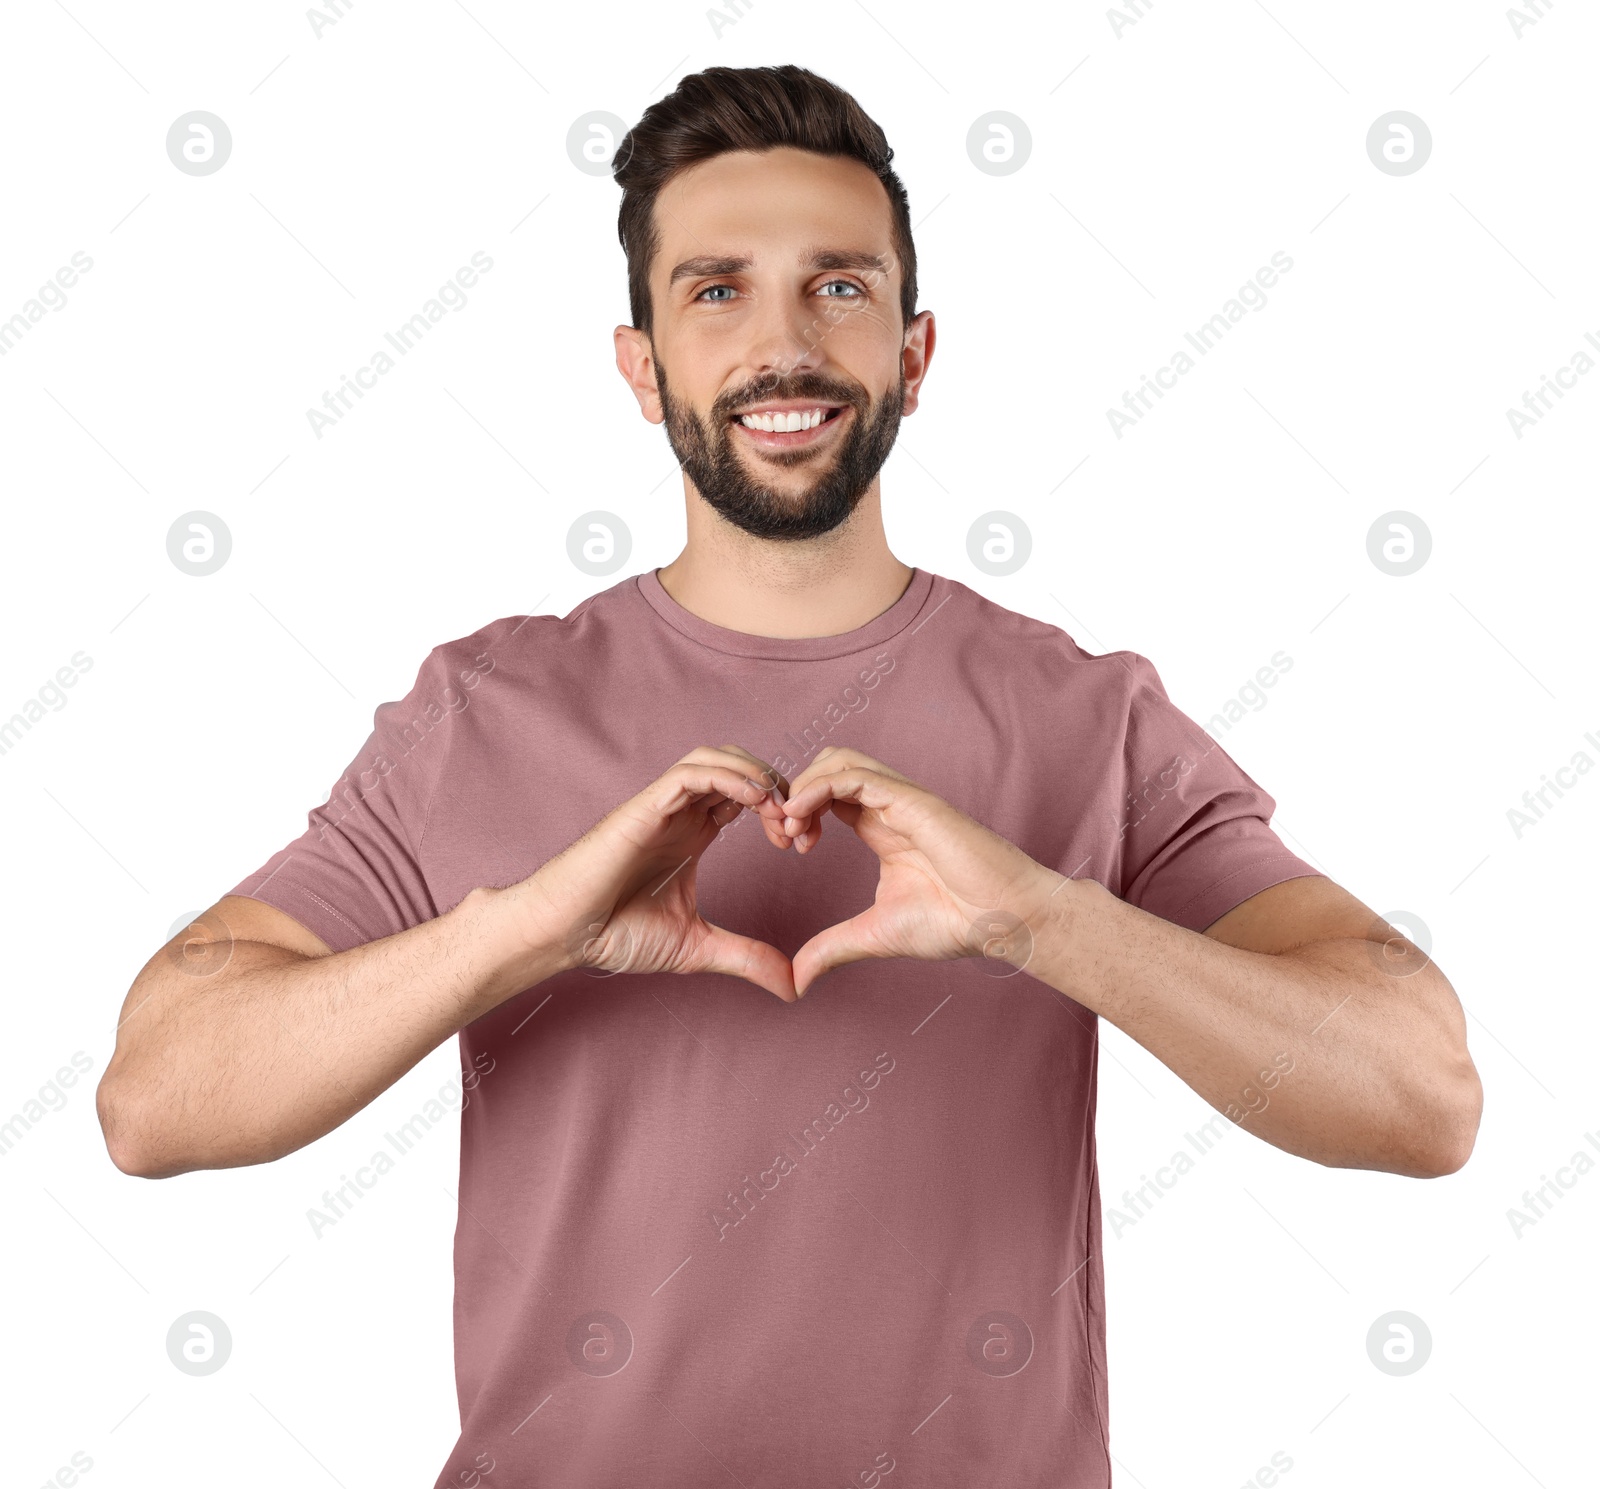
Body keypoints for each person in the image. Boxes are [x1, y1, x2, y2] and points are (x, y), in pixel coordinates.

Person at [96, 63, 1482, 1488]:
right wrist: (521, 931)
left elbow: (1423, 1091)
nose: (784, 345)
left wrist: (1041, 920)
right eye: (715, 291)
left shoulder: (1086, 715)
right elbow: (156, 1099)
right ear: (641, 367)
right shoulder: (481, 712)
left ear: (915, 351)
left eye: (838, 288)